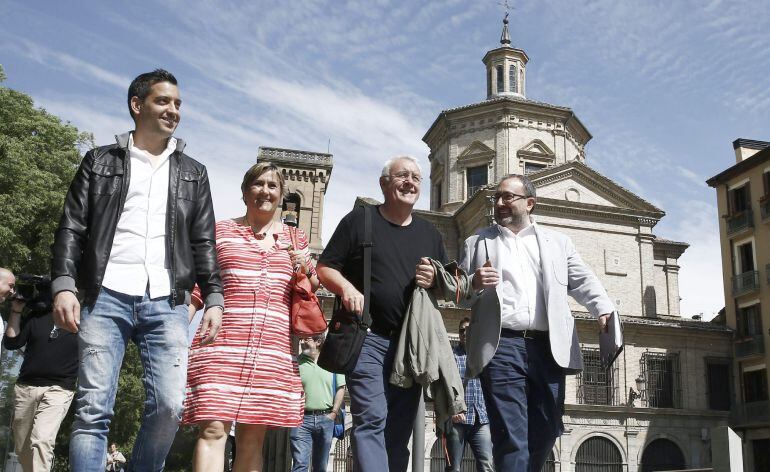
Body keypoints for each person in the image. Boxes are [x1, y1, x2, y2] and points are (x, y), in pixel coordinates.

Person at [51, 69, 224, 471]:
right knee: (93, 409)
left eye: (178, 103)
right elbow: (72, 226)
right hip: (103, 293)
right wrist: (63, 284)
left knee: (169, 406)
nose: (173, 110)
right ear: (137, 105)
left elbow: (204, 240)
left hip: (167, 300)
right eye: (163, 101)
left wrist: (213, 296)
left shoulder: (193, 172)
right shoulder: (99, 161)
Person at [453, 174, 614, 470]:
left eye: (507, 197)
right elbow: (460, 297)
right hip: (501, 345)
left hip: (549, 346)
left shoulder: (558, 242)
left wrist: (602, 308)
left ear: (529, 203)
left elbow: (582, 280)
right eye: (497, 197)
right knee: (510, 435)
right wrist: (473, 283)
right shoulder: (476, 242)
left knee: (546, 430)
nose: (500, 203)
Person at [183, 162, 319, 472]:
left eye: (273, 185)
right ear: (245, 191)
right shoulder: (219, 231)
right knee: (213, 429)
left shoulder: (296, 238)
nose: (265, 191)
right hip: (220, 343)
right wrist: (178, 329)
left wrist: (306, 267)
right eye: (258, 184)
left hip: (273, 349)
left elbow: (311, 288)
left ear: (282, 195)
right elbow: (197, 285)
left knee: (252, 439)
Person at [317, 155, 447, 472]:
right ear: (384, 183)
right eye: (402, 175)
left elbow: (447, 285)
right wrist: (346, 288)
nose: (410, 182)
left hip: (411, 347)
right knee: (372, 416)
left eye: (417, 177)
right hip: (368, 338)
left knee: (398, 431)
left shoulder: (431, 234)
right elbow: (324, 268)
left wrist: (434, 279)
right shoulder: (359, 221)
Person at [4, 292, 78, 471]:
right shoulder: (35, 316)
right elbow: (12, 343)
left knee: (42, 440)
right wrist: (16, 311)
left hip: (59, 389)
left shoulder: (80, 318)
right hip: (26, 388)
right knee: (23, 449)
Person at [290, 333, 346, 472]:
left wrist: (333, 413)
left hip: (326, 419)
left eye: (306, 339)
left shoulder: (332, 360)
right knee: (300, 464)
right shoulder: (296, 362)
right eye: (301, 339)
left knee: (320, 467)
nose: (302, 342)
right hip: (301, 420)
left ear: (319, 342)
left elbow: (341, 388)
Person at [444, 317, 493, 472]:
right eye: (461, 330)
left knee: (487, 465)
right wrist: (450, 412)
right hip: (457, 420)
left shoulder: (484, 356)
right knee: (454, 468)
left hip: (481, 418)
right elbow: (444, 387)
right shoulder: (451, 357)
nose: (464, 332)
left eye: (468, 329)